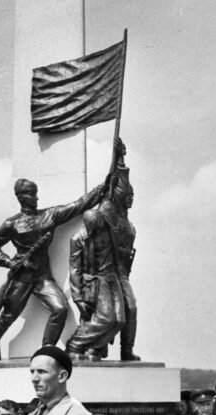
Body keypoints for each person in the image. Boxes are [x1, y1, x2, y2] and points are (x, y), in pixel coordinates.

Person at [0, 151, 112, 361]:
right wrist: (9, 262)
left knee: (60, 308)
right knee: (9, 316)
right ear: (21, 197)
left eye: (36, 194)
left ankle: (47, 349)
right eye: (32, 194)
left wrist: (103, 187)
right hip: (22, 278)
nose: (36, 197)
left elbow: (79, 204)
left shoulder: (49, 216)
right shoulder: (11, 224)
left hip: (43, 277)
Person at [65, 138, 140, 362]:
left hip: (117, 276)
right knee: (109, 318)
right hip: (98, 280)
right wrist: (78, 296)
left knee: (127, 313)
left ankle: (113, 349)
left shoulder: (124, 225)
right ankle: (77, 345)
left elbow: (118, 192)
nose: (129, 198)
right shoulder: (82, 236)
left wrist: (120, 160)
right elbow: (75, 268)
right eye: (127, 195)